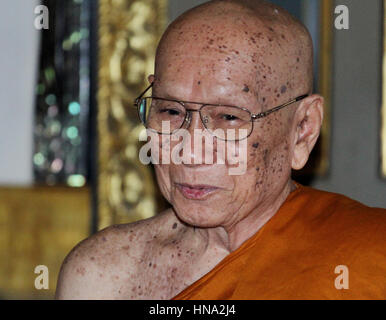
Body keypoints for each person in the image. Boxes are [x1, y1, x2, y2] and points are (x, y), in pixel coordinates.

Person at [56, 0, 386, 299]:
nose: (189, 152)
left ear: (303, 130)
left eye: (228, 117)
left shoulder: (368, 256)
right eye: (170, 112)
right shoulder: (104, 275)